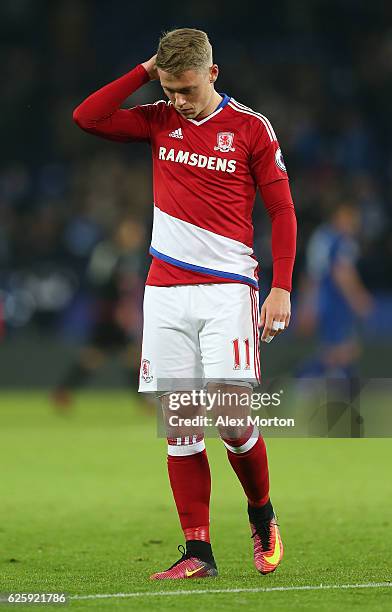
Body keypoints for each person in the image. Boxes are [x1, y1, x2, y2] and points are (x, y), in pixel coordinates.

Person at [73, 28, 297, 579]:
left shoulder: (250, 129)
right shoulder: (158, 118)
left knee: (230, 417)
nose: (178, 100)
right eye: (170, 88)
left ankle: (262, 514)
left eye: (188, 89)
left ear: (213, 75)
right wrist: (144, 72)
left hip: (227, 289)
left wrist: (282, 287)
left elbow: (283, 212)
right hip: (165, 291)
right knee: (180, 423)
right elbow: (87, 117)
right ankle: (198, 553)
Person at [52, 218, 145, 408]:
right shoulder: (107, 252)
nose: (136, 237)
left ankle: (64, 392)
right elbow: (99, 282)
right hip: (107, 313)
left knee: (108, 356)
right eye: (132, 232)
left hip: (117, 314)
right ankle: (145, 401)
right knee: (107, 356)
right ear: (120, 232)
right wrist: (116, 307)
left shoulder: (129, 256)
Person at [296, 201, 373, 378]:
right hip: (334, 299)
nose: (353, 223)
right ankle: (304, 377)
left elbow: (311, 272)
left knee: (341, 348)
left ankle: (324, 379)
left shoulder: (323, 237)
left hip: (328, 298)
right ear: (338, 217)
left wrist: (307, 303)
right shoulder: (339, 240)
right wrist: (358, 298)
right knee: (341, 350)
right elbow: (340, 273)